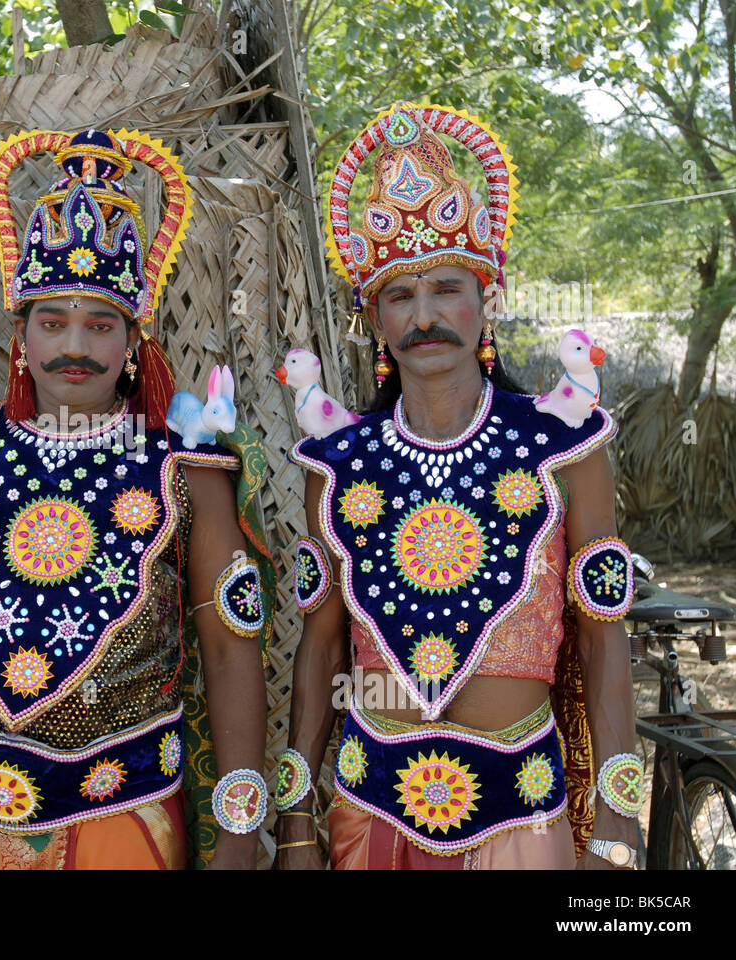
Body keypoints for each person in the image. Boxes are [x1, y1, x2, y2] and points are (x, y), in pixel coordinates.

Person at [0, 129, 273, 869]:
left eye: (100, 325)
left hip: (123, 816)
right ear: (22, 339)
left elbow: (231, 654)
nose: (76, 346)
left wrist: (235, 839)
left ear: (133, 344)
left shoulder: (184, 470)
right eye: (53, 322)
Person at [274, 104, 641, 870]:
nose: (425, 316)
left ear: (487, 301)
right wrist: (297, 824)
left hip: (523, 810)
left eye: (447, 289)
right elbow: (322, 645)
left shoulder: (565, 445)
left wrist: (619, 816)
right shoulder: (335, 465)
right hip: (369, 808)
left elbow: (604, 635)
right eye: (399, 297)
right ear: (373, 319)